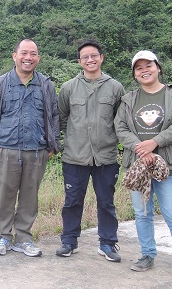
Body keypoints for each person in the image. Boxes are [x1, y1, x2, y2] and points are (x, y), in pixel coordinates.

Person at [114, 50, 172, 282]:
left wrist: (155, 142)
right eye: (139, 67)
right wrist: (140, 148)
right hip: (138, 164)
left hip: (168, 165)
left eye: (148, 65)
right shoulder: (128, 99)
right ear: (134, 74)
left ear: (158, 68)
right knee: (142, 214)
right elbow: (120, 128)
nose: (144, 70)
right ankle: (147, 255)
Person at [0, 38, 60, 257]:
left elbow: (53, 115)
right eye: (24, 53)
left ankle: (24, 238)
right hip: (6, 150)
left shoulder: (45, 85)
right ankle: (3, 237)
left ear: (38, 58)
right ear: (14, 56)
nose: (28, 58)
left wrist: (52, 145)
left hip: (36, 150)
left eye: (33, 54)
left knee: (29, 197)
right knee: (5, 195)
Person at [55, 39, 125, 262]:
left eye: (94, 55)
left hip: (106, 156)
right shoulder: (68, 88)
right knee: (72, 200)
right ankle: (69, 241)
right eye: (85, 57)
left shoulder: (115, 87)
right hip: (75, 156)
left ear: (101, 58)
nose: (90, 59)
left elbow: (119, 120)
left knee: (106, 201)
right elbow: (62, 118)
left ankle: (107, 243)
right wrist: (75, 137)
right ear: (79, 62)